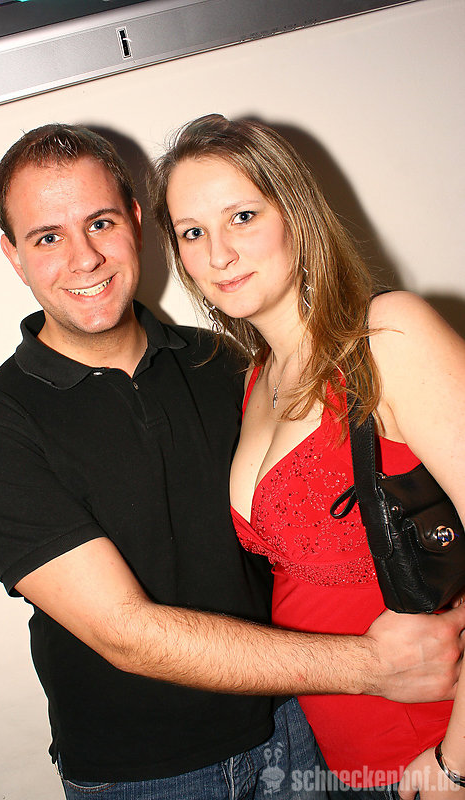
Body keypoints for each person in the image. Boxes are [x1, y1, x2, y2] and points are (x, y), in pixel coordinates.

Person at [0, 123, 465, 800]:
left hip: (299, 735)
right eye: (47, 237)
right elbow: (124, 631)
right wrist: (372, 666)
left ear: (135, 224)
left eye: (99, 223)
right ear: (14, 255)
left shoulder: (228, 367)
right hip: (145, 772)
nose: (84, 258)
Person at [150, 113, 465, 800]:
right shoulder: (256, 378)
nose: (219, 254)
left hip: (431, 750)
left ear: (296, 213)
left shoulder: (388, 336)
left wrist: (457, 761)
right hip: (339, 760)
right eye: (192, 233)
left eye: (241, 217)